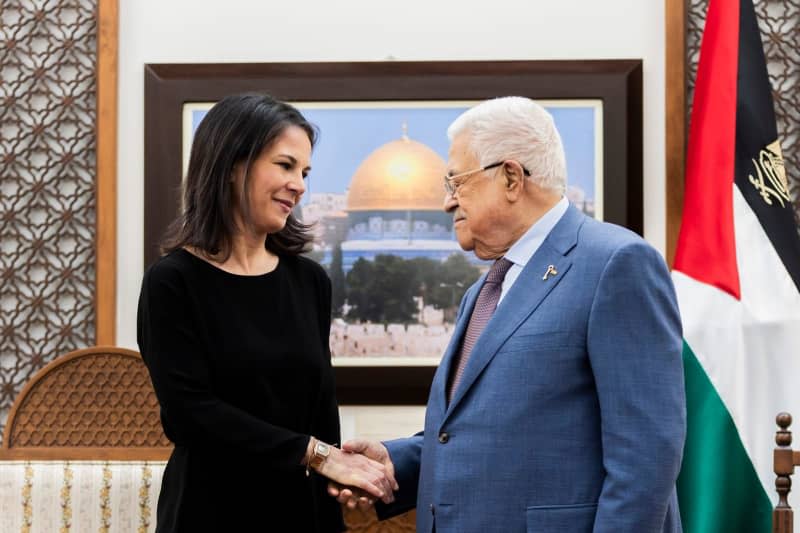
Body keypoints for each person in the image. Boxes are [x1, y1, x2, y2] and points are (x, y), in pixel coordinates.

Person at [331, 96, 686, 532]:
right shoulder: (483, 291)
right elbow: (474, 433)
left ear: (512, 178)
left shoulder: (616, 264)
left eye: (456, 181)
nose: (447, 202)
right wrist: (394, 462)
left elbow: (646, 456)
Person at [137, 93, 396, 533]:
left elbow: (320, 409)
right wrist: (315, 452)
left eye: (305, 172)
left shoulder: (310, 282)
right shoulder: (172, 282)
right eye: (285, 165)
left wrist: (336, 468)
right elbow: (189, 415)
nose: (299, 184)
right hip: (210, 512)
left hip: (302, 511)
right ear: (232, 163)